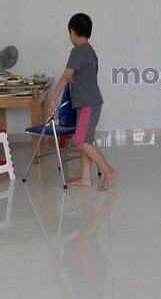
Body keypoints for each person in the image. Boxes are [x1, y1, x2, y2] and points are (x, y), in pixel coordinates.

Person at [48, 13, 117, 191]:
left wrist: (53, 98)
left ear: (73, 32)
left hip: (88, 104)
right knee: (85, 139)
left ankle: (108, 171)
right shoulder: (90, 51)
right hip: (88, 103)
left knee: (81, 140)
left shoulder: (78, 51)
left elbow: (66, 76)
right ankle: (86, 178)